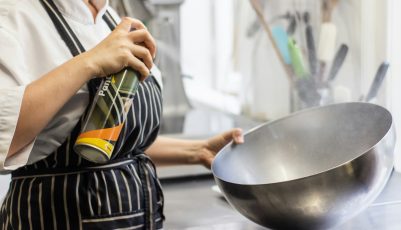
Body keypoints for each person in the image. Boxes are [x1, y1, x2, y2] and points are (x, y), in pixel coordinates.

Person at [0, 0, 244, 229]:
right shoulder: (14, 15)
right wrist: (90, 62)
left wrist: (196, 151)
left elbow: (107, 141)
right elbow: (4, 138)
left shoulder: (109, 19)